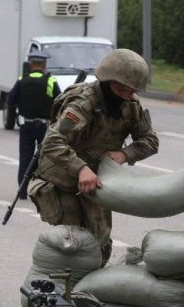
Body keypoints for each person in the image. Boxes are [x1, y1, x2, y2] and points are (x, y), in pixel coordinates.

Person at [28, 49, 158, 266]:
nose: (127, 95)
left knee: (100, 244)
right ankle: (63, 293)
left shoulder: (131, 105)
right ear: (107, 82)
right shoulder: (83, 103)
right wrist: (80, 168)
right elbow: (52, 142)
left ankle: (88, 292)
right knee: (72, 244)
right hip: (64, 181)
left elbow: (150, 141)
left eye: (131, 90)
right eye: (121, 89)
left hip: (97, 182)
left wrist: (125, 154)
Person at [6, 50, 62, 199]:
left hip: (26, 126)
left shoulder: (21, 80)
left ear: (31, 64)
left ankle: (22, 191)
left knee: (25, 157)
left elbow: (10, 101)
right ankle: (41, 191)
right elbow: (59, 102)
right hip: (44, 127)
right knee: (44, 159)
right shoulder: (50, 81)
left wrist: (18, 113)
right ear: (44, 65)